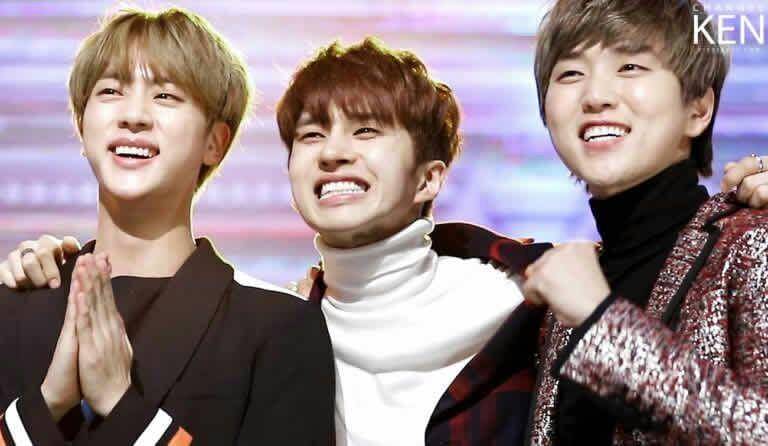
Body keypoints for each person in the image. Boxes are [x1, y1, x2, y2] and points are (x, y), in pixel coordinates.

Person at [4, 34, 768, 445]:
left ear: (430, 177)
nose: (334, 154)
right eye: (312, 135)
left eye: (367, 132)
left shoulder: (534, 299)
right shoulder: (288, 320)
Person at [0, 7, 334, 445]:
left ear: (215, 142)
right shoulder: (13, 309)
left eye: (165, 96)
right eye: (111, 91)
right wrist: (45, 406)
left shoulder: (277, 329)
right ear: (81, 127)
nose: (134, 115)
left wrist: (124, 408)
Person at [522, 0, 768, 444]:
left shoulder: (750, 243)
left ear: (698, 108)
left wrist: (603, 326)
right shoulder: (563, 291)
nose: (595, 96)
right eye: (570, 74)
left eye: (631, 66)